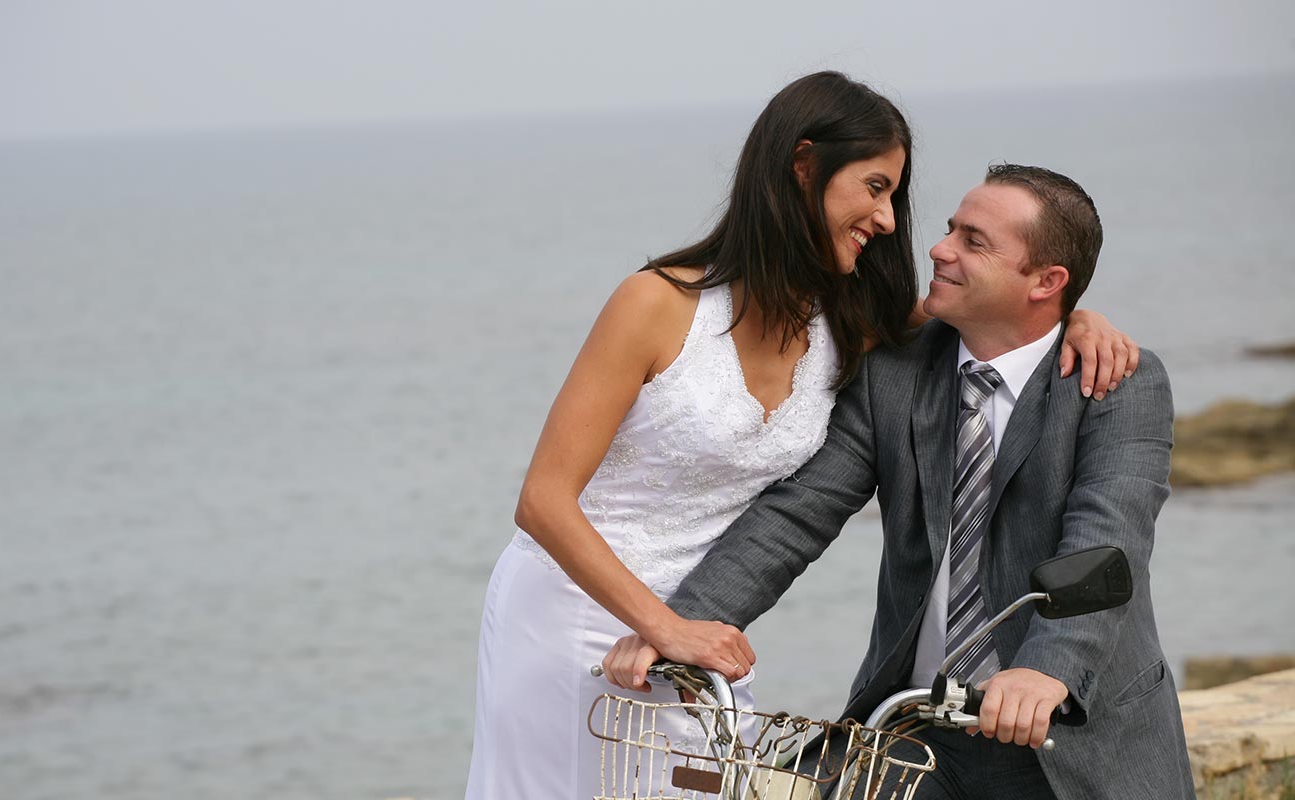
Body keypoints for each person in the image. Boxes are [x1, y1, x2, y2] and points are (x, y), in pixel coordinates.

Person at [466, 72, 1137, 800]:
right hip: (578, 613)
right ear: (804, 166)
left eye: (893, 196)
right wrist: (664, 625)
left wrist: (1074, 318)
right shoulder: (655, 302)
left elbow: (996, 322)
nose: (887, 220)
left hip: (705, 622)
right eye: (875, 187)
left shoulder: (848, 319)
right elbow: (541, 501)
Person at [603, 164, 1193, 799]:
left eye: (975, 241)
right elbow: (798, 513)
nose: (940, 249)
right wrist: (678, 625)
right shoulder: (895, 371)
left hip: (1066, 733)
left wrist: (1045, 671)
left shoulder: (1115, 384)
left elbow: (1109, 534)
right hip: (915, 731)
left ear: (1047, 282)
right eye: (950, 230)